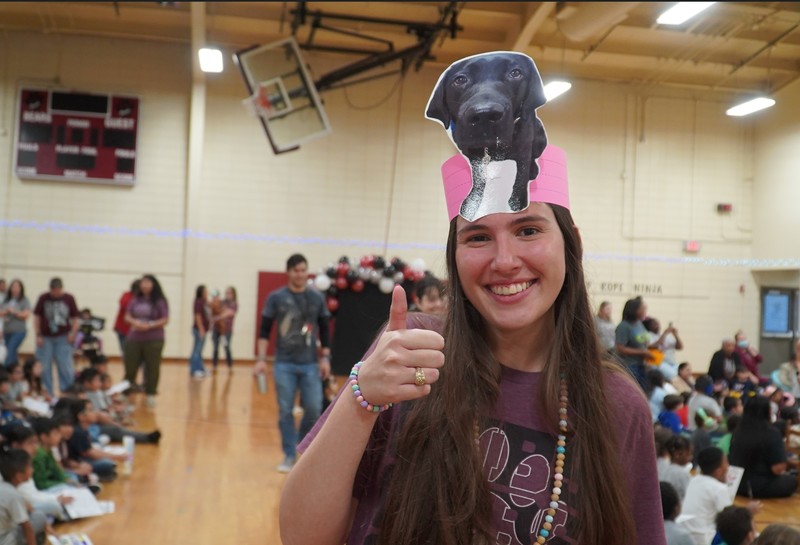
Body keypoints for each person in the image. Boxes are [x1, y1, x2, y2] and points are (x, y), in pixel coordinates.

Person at [280, 52, 665, 545]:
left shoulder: (616, 406)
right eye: (478, 237)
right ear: (455, 255)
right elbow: (300, 534)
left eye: (528, 230)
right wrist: (363, 399)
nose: (504, 260)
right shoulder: (411, 355)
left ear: (572, 246)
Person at [255, 254, 332, 474]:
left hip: (310, 364)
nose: (300, 274)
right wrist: (261, 360)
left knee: (314, 408)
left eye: (303, 270)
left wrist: (325, 358)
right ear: (288, 272)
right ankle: (289, 454)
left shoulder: (317, 298)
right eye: (296, 270)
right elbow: (264, 330)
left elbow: (325, 329)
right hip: (284, 364)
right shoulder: (276, 298)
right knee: (285, 411)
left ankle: (301, 446)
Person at [729, 395, 798, 498]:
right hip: (758, 486)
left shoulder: (738, 430)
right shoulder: (771, 433)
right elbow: (777, 468)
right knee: (792, 481)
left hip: (736, 483)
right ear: (768, 411)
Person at [123, 274, 169, 408]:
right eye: (142, 282)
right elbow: (127, 316)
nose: (144, 285)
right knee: (130, 365)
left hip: (154, 339)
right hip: (134, 338)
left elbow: (165, 319)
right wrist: (135, 322)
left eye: (147, 282)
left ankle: (150, 393)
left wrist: (149, 325)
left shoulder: (160, 301)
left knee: (152, 367)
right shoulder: (135, 299)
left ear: (154, 284)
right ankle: (126, 390)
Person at [32, 277, 79, 395]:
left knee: (65, 365)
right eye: (54, 290)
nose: (56, 293)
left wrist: (73, 333)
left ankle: (68, 390)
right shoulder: (43, 298)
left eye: (58, 290)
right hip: (46, 337)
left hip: (63, 337)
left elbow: (76, 318)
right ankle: (48, 392)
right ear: (50, 289)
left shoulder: (69, 298)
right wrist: (38, 334)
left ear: (61, 289)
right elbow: (37, 317)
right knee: (45, 366)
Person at [681, 447, 734, 545]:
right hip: (705, 539)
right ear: (718, 471)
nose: (728, 466)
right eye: (726, 462)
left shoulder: (694, 480)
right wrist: (748, 512)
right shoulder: (719, 488)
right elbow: (730, 520)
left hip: (684, 535)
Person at [0, 447, 48, 545]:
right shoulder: (14, 495)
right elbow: (27, 527)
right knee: (40, 517)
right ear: (19, 476)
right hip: (5, 540)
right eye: (30, 466)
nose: (32, 470)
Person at [0, 280, 31, 368]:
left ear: (21, 289)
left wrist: (14, 312)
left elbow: (26, 315)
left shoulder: (24, 300)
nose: (15, 289)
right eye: (13, 287)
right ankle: (16, 373)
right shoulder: (6, 299)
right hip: (7, 331)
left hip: (19, 331)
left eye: (17, 287)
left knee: (10, 351)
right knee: (12, 353)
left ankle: (4, 372)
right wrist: (6, 311)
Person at [211, 287, 238, 373]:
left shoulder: (234, 304)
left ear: (233, 294)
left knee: (226, 347)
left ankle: (230, 366)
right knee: (215, 347)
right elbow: (214, 308)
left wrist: (219, 316)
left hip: (226, 330)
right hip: (216, 328)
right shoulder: (221, 302)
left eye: (229, 293)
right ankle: (214, 366)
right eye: (226, 293)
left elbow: (229, 313)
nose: (227, 294)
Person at [113, 279, 139, 356]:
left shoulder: (143, 299)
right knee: (125, 351)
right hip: (123, 328)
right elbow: (126, 306)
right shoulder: (127, 295)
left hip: (136, 329)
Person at [662, 435, 693, 500]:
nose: (691, 457)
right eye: (688, 454)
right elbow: (690, 494)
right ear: (677, 454)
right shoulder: (682, 473)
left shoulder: (665, 469)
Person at [189, 285, 209, 379]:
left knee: (199, 350)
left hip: (204, 329)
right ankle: (194, 370)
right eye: (205, 291)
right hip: (198, 329)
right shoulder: (198, 302)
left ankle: (200, 368)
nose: (207, 293)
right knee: (197, 350)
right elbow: (198, 316)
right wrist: (201, 329)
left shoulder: (205, 302)